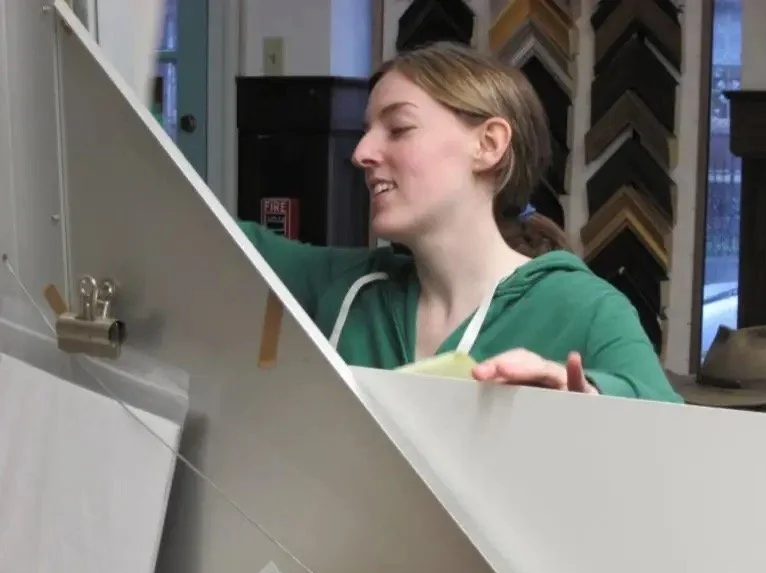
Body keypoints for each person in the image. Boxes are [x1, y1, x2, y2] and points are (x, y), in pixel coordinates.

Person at [239, 41, 681, 402]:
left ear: (488, 144)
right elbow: (188, 221)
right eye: (366, 131)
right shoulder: (349, 287)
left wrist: (591, 397)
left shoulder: (585, 308)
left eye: (398, 129)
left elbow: (674, 436)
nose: (361, 154)